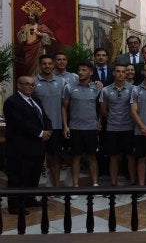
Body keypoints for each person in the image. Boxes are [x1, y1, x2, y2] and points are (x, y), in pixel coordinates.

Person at [4, 76, 53, 215]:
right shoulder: (12, 102)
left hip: (36, 147)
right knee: (19, 177)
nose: (31, 87)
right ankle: (15, 205)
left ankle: (29, 199)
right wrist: (40, 133)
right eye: (27, 84)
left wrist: (48, 130)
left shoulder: (35, 99)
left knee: (33, 175)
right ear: (19, 86)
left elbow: (44, 116)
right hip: (20, 147)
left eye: (33, 85)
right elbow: (20, 123)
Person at [62, 62, 101, 189]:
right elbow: (64, 107)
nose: (80, 72)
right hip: (75, 127)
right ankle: (75, 185)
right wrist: (66, 126)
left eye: (84, 70)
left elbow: (101, 107)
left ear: (90, 72)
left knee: (92, 156)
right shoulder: (69, 87)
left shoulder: (97, 88)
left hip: (91, 128)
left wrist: (99, 120)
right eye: (79, 70)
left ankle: (95, 183)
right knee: (76, 157)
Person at [33, 55, 67, 189]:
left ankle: (56, 186)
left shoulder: (62, 81)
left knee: (55, 158)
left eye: (49, 64)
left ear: (53, 65)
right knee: (37, 159)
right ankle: (33, 188)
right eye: (44, 64)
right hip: (39, 127)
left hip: (57, 126)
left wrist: (96, 83)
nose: (47, 66)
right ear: (40, 65)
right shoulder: (33, 82)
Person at [16, 10, 56, 76]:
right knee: (28, 65)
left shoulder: (41, 26)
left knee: (38, 65)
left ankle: (39, 80)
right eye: (29, 15)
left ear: (36, 17)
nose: (30, 17)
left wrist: (41, 35)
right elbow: (21, 40)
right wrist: (22, 32)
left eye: (32, 15)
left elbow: (51, 37)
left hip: (38, 49)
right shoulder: (25, 26)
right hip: (28, 50)